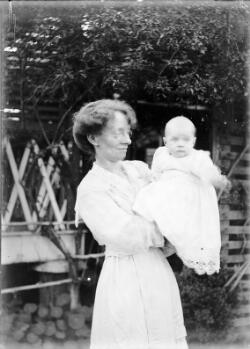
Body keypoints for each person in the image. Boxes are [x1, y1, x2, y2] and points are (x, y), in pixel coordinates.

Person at [73, 100, 188, 349]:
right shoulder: (91, 189)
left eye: (128, 132)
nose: (127, 140)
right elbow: (124, 234)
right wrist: (167, 233)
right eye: (118, 133)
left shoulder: (139, 171)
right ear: (93, 138)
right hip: (125, 278)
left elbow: (168, 206)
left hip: (157, 271)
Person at [134, 116, 229, 275]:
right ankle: (158, 239)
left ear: (193, 141)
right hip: (167, 198)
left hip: (187, 201)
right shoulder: (162, 155)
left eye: (186, 140)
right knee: (148, 199)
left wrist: (218, 179)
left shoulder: (196, 157)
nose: (180, 144)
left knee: (183, 230)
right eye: (174, 139)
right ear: (165, 141)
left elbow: (208, 172)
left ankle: (173, 245)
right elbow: (155, 174)